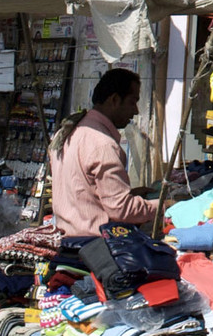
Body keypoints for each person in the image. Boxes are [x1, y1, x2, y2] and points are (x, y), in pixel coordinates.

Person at [49, 69, 155, 237]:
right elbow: (122, 211)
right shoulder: (103, 144)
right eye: (132, 102)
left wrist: (133, 195)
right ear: (114, 99)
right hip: (94, 244)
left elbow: (84, 192)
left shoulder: (70, 131)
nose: (135, 111)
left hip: (68, 238)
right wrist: (166, 205)